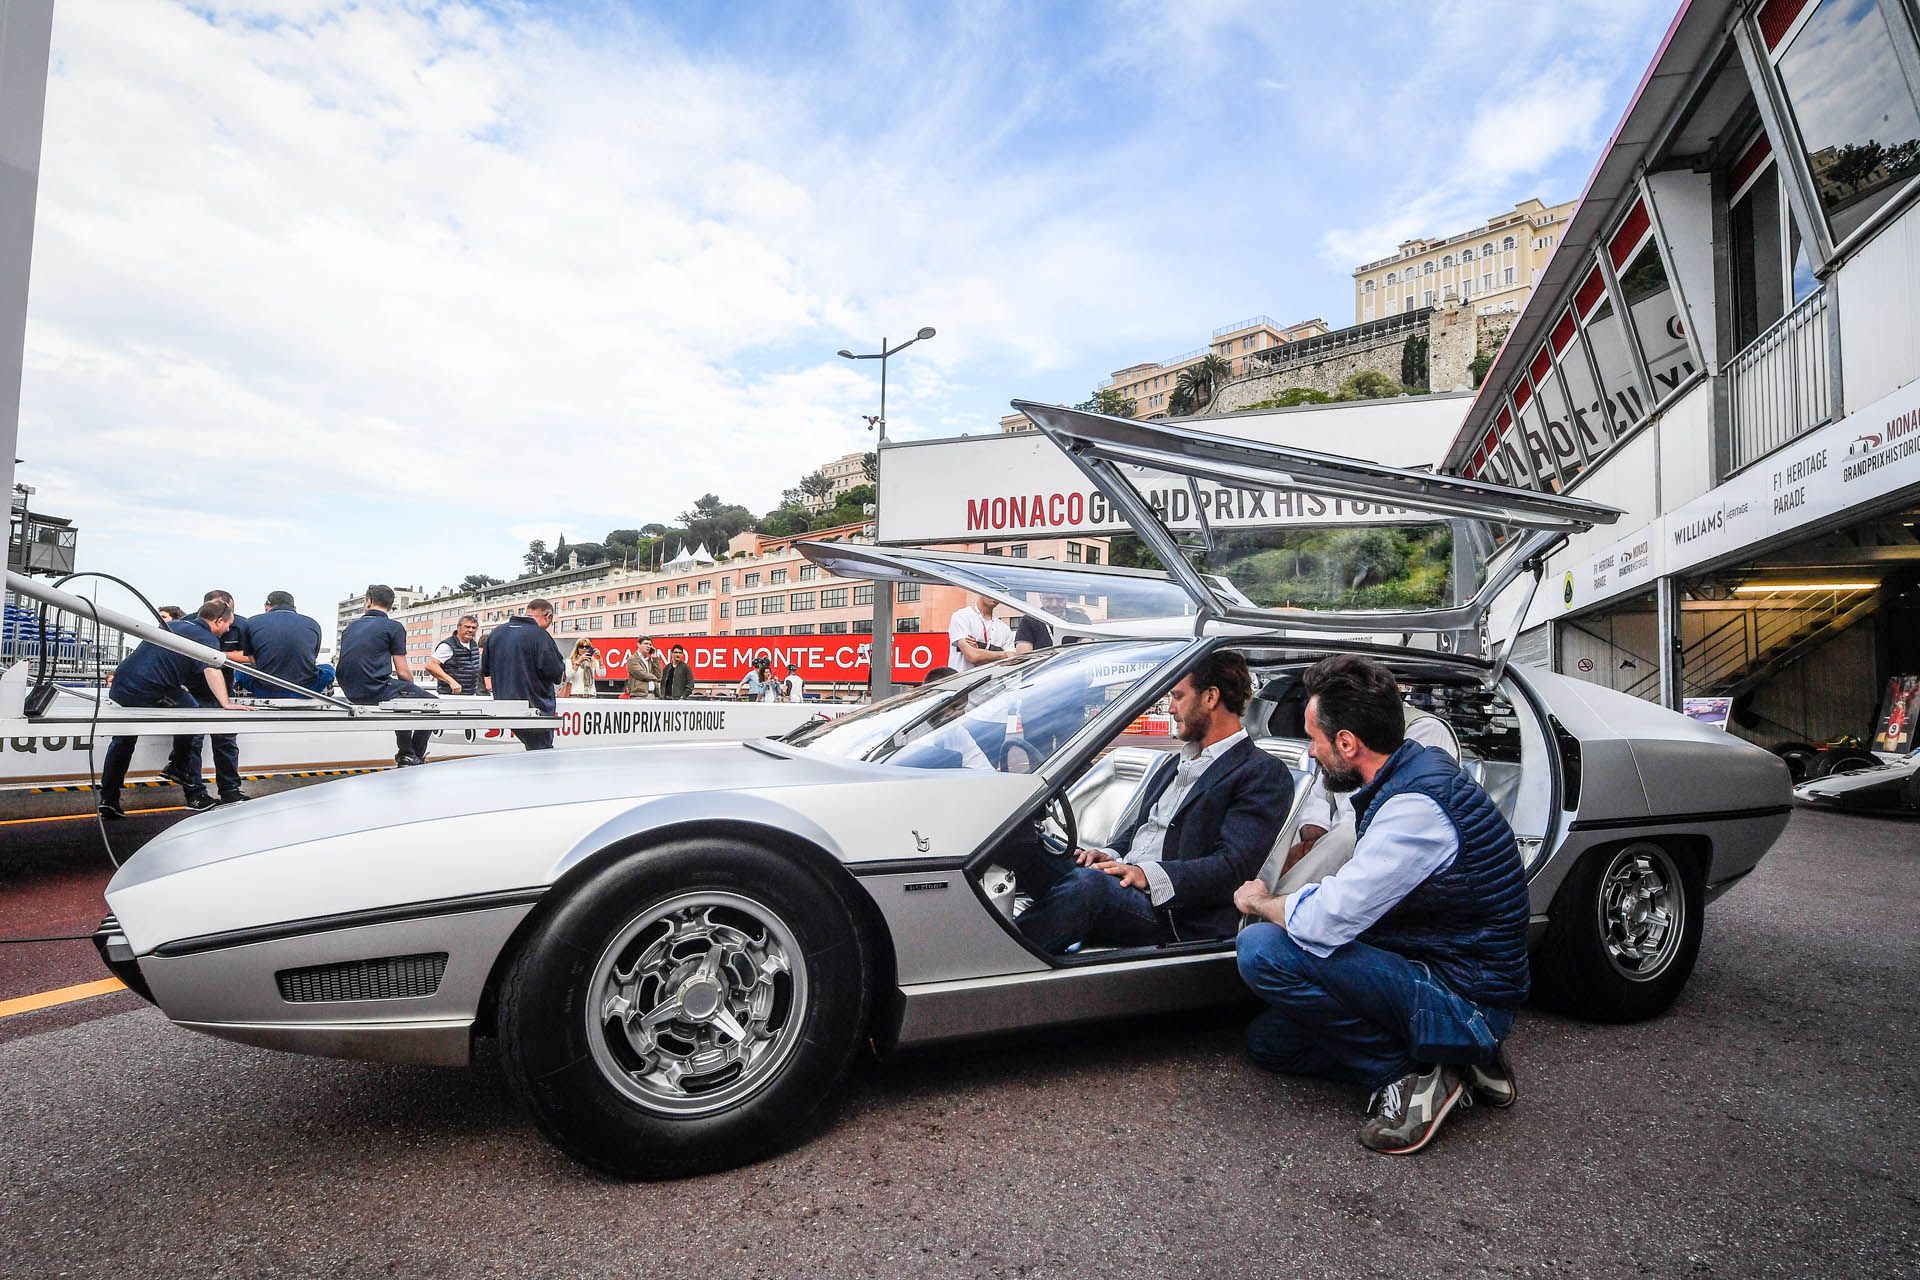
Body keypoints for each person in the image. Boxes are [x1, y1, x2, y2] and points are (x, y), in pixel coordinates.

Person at [1233, 655, 1530, 1157]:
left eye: (1314, 739)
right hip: (1433, 962)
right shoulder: (1411, 773)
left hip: (1466, 995)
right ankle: (1453, 1060)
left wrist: (1261, 902)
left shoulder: (1416, 808)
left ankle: (1407, 1077)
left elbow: (1327, 918)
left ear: (1348, 743)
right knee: (1271, 1044)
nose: (1311, 751)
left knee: (1262, 949)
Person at [1013, 651, 1292, 951]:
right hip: (1125, 881)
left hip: (1173, 914)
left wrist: (1147, 874)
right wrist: (1109, 855)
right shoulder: (1174, 763)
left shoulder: (1261, 772)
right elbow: (1143, 828)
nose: (1170, 708)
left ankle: (1002, 958)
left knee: (1088, 887)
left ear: (1211, 697)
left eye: (1178, 697)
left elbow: (1232, 868)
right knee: (1021, 840)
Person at [97, 599, 245, 818]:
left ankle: (108, 799)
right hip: (152, 687)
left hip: (122, 683)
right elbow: (212, 670)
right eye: (227, 625)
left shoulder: (174, 625)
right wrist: (226, 703)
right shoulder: (207, 639)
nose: (227, 631)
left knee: (123, 741)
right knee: (192, 715)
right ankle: (178, 765)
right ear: (218, 621)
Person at [338, 583, 437, 766]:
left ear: (368, 601)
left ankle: (408, 754)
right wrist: (411, 688)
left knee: (402, 700)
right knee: (432, 704)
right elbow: (402, 671)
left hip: (349, 689)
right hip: (374, 688)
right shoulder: (393, 627)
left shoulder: (351, 627)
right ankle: (412, 754)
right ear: (391, 606)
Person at [183, 589, 251, 802]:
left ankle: (230, 791)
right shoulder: (187, 625)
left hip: (223, 692)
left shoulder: (241, 625)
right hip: (191, 692)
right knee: (191, 743)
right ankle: (195, 794)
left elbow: (251, 656)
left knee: (226, 742)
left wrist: (219, 656)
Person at [482, 599, 566, 749]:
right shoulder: (540, 636)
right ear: (548, 616)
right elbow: (556, 673)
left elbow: (486, 669)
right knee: (540, 752)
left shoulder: (496, 633)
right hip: (534, 707)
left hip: (504, 705)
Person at [247, 590, 333, 697]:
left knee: (241, 672)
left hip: (265, 689)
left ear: (266, 606)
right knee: (328, 669)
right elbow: (313, 657)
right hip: (305, 690)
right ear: (294, 608)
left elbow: (253, 661)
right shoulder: (313, 624)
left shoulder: (251, 623)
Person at [947, 591, 1014, 672]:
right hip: (963, 678)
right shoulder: (961, 616)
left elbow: (1012, 659)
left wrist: (979, 652)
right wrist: (1004, 654)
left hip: (993, 679)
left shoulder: (1004, 628)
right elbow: (973, 656)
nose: (995, 595)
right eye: (991, 589)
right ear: (981, 589)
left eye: (1000, 592)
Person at [424, 614, 482, 695]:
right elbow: (430, 665)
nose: (470, 630)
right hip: (450, 695)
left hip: (470, 694)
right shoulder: (448, 645)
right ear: (458, 627)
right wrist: (451, 681)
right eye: (467, 627)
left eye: (474, 628)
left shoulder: (474, 645)